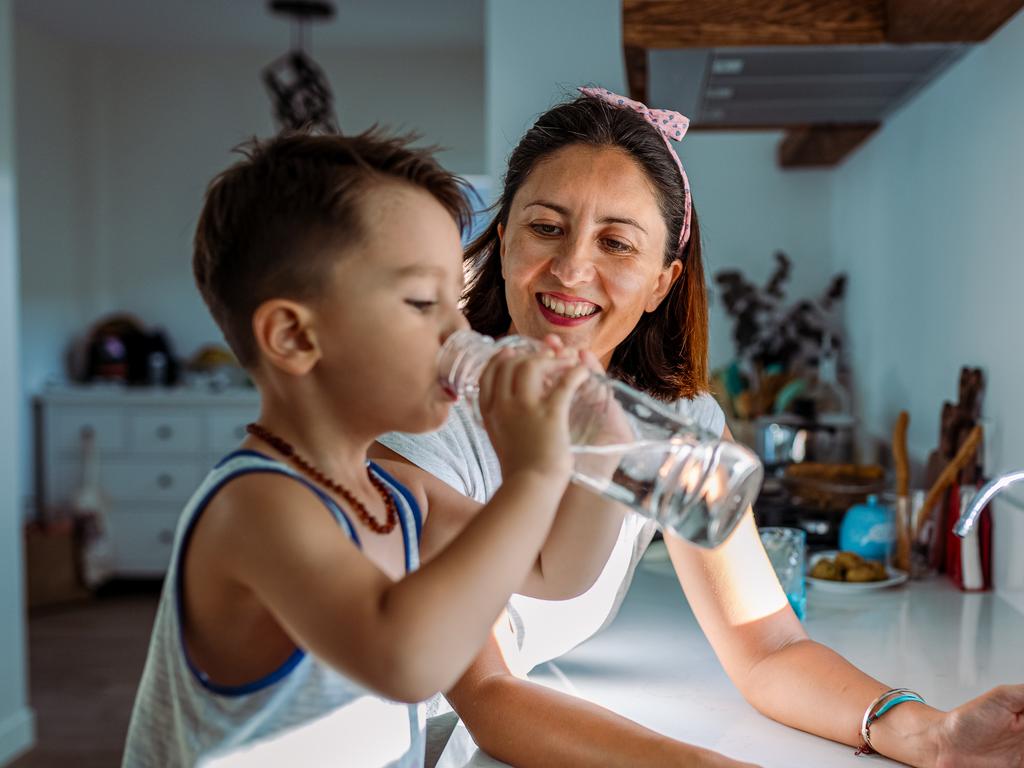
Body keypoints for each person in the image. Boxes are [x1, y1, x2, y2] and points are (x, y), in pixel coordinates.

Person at [373, 88, 1024, 767]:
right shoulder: (423, 416)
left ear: (662, 281)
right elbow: (490, 694)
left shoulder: (674, 424)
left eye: (616, 242)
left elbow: (768, 648)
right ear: (504, 240)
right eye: (546, 227)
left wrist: (930, 736)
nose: (571, 269)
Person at [120, 129, 628, 767]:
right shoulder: (255, 508)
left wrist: (600, 456)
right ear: (293, 337)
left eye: (455, 298)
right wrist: (534, 475)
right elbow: (407, 661)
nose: (458, 331)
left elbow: (559, 572)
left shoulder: (397, 495)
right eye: (422, 301)